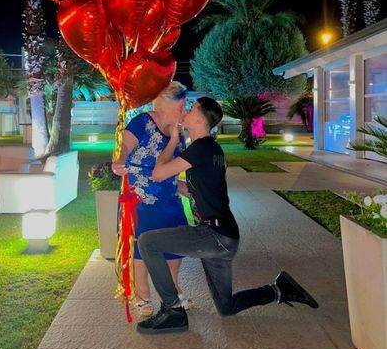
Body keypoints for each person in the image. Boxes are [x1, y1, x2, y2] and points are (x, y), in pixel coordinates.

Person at [136, 97, 319, 334]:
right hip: (224, 237)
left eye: (191, 108)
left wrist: (172, 140)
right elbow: (196, 188)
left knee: (147, 242)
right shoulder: (211, 149)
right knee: (226, 306)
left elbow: (159, 173)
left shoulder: (201, 148)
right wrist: (168, 188)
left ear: (200, 118)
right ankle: (279, 289)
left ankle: (172, 310)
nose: (187, 111)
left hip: (213, 235)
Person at [112, 82, 191, 317]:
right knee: (142, 248)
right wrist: (119, 161)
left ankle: (174, 290)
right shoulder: (142, 122)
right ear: (167, 104)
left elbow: (174, 167)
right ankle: (142, 295)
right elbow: (124, 147)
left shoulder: (178, 132)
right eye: (181, 106)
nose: (184, 111)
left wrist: (186, 187)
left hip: (170, 198)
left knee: (175, 245)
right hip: (142, 200)